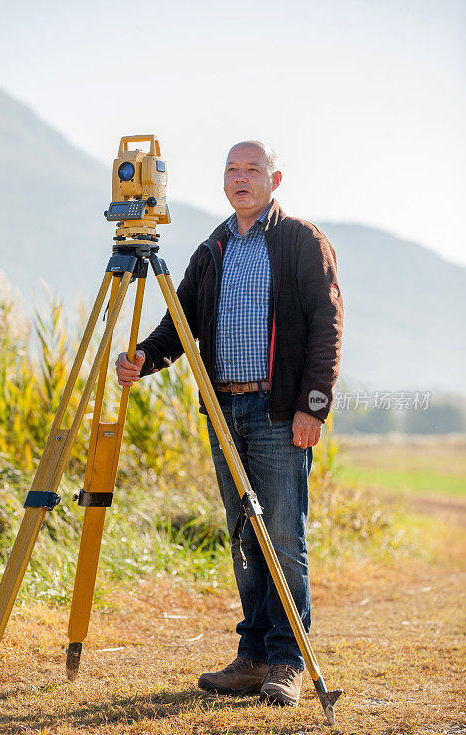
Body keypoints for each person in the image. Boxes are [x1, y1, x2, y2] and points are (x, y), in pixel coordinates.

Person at [115, 141, 343, 706]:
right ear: (224, 180)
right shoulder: (213, 247)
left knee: (283, 538)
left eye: (253, 170)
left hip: (277, 411)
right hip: (223, 411)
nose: (241, 179)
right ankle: (254, 657)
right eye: (232, 170)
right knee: (244, 538)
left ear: (275, 178)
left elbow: (326, 324)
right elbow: (181, 321)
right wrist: (146, 357)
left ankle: (287, 663)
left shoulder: (300, 241)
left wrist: (312, 405)